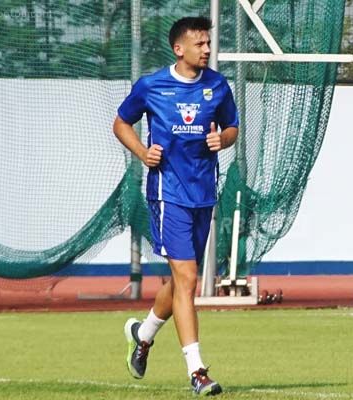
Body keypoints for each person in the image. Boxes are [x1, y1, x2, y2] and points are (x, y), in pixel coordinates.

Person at [112, 16, 238, 396]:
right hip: (168, 195)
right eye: (199, 44)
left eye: (208, 43)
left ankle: (143, 333)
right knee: (186, 281)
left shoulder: (217, 86)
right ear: (178, 49)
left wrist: (224, 140)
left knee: (181, 280)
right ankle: (197, 371)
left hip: (204, 194)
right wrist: (141, 152)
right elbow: (121, 123)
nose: (207, 49)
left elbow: (231, 127)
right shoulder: (152, 86)